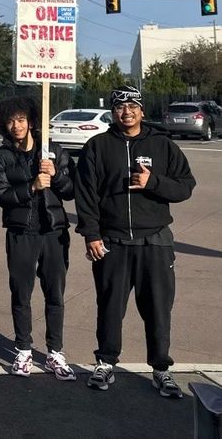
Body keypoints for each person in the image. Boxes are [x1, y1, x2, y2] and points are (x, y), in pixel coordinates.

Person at [75, 85, 195, 396]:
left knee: (157, 309)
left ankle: (161, 369)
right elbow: (86, 195)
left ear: (141, 110)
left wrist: (151, 182)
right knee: (110, 306)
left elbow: (185, 186)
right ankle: (105, 363)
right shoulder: (98, 146)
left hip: (155, 241)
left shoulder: (162, 145)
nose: (125, 112)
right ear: (112, 112)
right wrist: (91, 234)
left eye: (132, 106)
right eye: (119, 107)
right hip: (112, 242)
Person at [0, 96, 77, 381]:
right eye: (11, 121)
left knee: (55, 294)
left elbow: (71, 190)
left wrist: (57, 175)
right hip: (21, 233)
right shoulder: (0, 157)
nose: (16, 125)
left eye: (21, 119)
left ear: (32, 121)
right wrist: (32, 186)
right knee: (21, 293)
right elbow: (1, 196)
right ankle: (23, 350)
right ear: (3, 124)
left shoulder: (54, 151)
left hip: (54, 232)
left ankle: (55, 353)